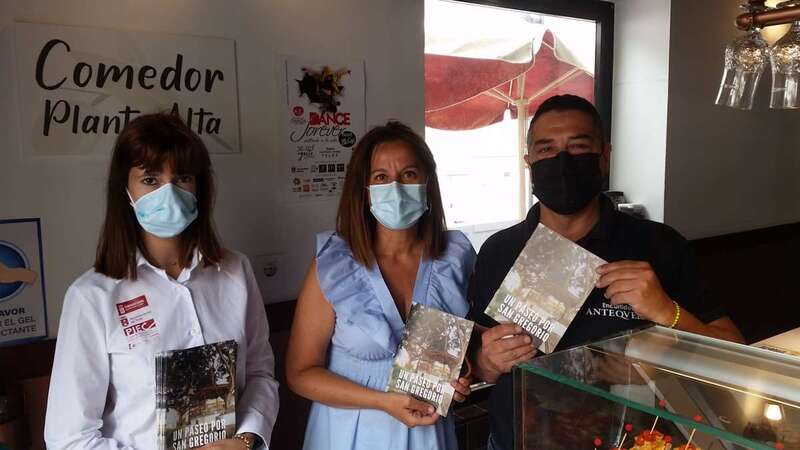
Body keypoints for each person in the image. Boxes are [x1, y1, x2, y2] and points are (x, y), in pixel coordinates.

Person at [467, 95, 745, 450]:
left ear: (604, 155)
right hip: (515, 439)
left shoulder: (658, 245)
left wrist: (666, 312)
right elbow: (479, 359)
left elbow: (735, 354)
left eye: (578, 147)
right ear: (529, 161)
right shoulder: (499, 250)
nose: (562, 160)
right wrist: (487, 361)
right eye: (547, 149)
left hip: (631, 440)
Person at [44, 113, 279, 450]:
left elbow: (260, 374)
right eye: (150, 179)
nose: (169, 192)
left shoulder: (236, 271)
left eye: (182, 177)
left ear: (198, 186)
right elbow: (68, 439)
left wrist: (245, 439)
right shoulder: (92, 296)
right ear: (125, 189)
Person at [286, 121, 474, 450]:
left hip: (429, 431)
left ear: (427, 183)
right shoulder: (333, 266)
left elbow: (465, 345)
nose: (396, 187)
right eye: (381, 177)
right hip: (349, 434)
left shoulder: (454, 258)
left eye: (409, 174)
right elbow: (300, 373)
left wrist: (462, 375)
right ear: (364, 190)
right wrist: (382, 401)